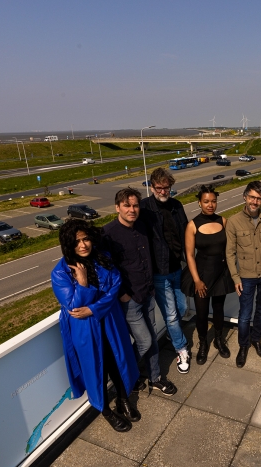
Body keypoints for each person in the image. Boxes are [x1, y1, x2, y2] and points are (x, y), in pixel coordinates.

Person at [51, 220, 140, 433]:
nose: (83, 245)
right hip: (85, 330)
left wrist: (93, 309)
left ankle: (122, 398)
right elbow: (73, 306)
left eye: (86, 239)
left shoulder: (103, 258)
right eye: (76, 242)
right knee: (95, 370)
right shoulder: (60, 273)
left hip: (109, 322)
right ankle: (105, 411)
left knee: (117, 362)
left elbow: (115, 286)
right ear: (67, 245)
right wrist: (82, 283)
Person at [102, 187, 178, 397]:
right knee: (144, 340)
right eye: (127, 205)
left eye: (135, 205)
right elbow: (106, 270)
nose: (132, 209)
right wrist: (122, 294)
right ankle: (126, 374)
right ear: (117, 207)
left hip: (147, 293)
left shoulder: (143, 226)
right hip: (129, 299)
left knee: (151, 337)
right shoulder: (108, 233)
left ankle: (154, 378)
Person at [225, 181, 261, 368]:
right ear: (245, 197)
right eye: (252, 197)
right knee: (244, 314)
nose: (255, 201)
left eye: (259, 198)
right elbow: (229, 252)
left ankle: (256, 339)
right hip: (246, 277)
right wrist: (235, 278)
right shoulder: (234, 221)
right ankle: (243, 346)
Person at [139, 168, 191, 374]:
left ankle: (172, 334)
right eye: (158, 188)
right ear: (151, 187)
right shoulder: (144, 208)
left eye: (166, 187)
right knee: (170, 316)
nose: (162, 191)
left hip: (177, 267)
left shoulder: (177, 206)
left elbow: (187, 233)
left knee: (182, 308)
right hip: (158, 273)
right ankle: (181, 349)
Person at [182, 185, 234, 364]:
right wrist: (197, 280)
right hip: (201, 274)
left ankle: (219, 340)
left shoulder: (223, 221)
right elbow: (189, 255)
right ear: (199, 203)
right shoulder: (192, 225)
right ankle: (203, 343)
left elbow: (229, 249)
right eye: (206, 202)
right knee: (202, 313)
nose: (210, 205)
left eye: (213, 201)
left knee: (219, 310)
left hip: (221, 272)